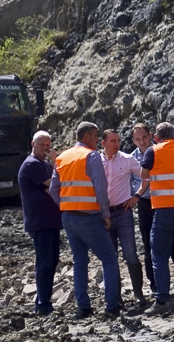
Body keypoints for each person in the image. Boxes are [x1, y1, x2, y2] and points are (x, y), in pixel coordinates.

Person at [50, 122, 123, 320]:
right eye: (96, 136)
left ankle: (83, 307)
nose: (98, 141)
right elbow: (100, 187)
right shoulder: (91, 156)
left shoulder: (62, 157)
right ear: (87, 137)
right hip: (89, 216)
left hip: (69, 217)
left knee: (80, 261)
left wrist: (65, 206)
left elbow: (53, 190)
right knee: (109, 259)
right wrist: (106, 214)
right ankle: (112, 306)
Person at [136, 122, 174, 314]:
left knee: (159, 256)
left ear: (156, 137)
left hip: (165, 210)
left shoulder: (153, 151)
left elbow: (144, 174)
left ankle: (162, 300)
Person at [101, 128, 147, 311]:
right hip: (104, 214)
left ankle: (139, 294)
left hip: (123, 212)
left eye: (118, 140)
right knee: (110, 258)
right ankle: (115, 297)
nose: (116, 144)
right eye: (112, 141)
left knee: (130, 254)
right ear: (103, 143)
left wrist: (137, 195)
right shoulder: (96, 161)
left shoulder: (127, 160)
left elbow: (146, 177)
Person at [17, 131, 61, 316]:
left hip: (50, 220)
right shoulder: (32, 164)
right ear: (32, 144)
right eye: (42, 145)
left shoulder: (43, 164)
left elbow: (52, 188)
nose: (46, 148)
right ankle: (43, 303)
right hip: (40, 221)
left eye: (48, 145)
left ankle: (43, 299)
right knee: (44, 263)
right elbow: (54, 184)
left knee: (52, 261)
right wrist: (57, 162)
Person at [130, 123, 157, 298]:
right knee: (148, 244)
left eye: (144, 137)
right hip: (145, 203)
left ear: (151, 135)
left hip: (164, 201)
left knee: (172, 244)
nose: (142, 142)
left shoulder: (160, 152)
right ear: (133, 141)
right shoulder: (131, 159)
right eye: (138, 139)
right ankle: (154, 284)